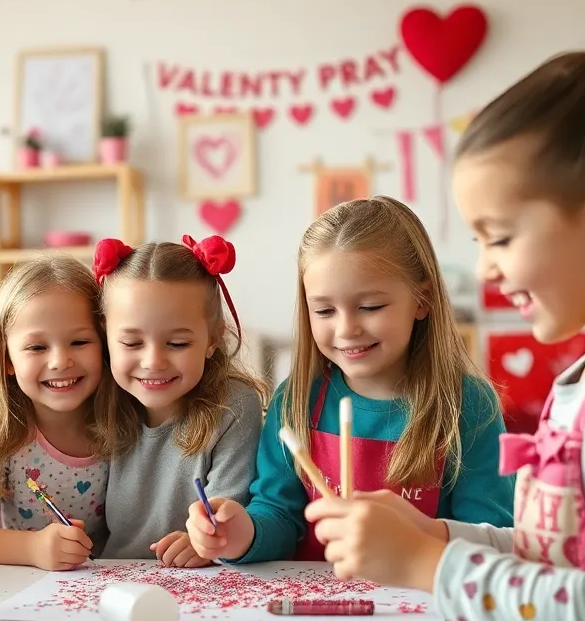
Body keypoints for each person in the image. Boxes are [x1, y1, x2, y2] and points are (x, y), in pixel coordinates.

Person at [305, 0, 585, 621]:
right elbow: (558, 554)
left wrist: (431, 564)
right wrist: (437, 533)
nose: (488, 269)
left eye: (499, 237)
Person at [186, 197, 512, 564]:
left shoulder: (468, 403)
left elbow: (488, 533)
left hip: (420, 606)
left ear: (422, 299)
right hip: (314, 609)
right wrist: (240, 534)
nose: (347, 329)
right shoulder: (295, 401)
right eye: (325, 310)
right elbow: (278, 513)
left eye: (370, 307)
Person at [94, 236, 266, 565]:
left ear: (213, 339)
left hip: (206, 585)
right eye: (131, 343)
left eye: (176, 343)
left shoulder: (233, 406)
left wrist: (207, 539)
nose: (154, 361)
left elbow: (227, 517)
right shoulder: (101, 401)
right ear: (105, 336)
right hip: (108, 582)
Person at [0, 255, 108, 571]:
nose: (59, 361)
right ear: (7, 359)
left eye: (79, 341)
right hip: (20, 589)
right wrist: (34, 549)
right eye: (37, 348)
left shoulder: (123, 415)